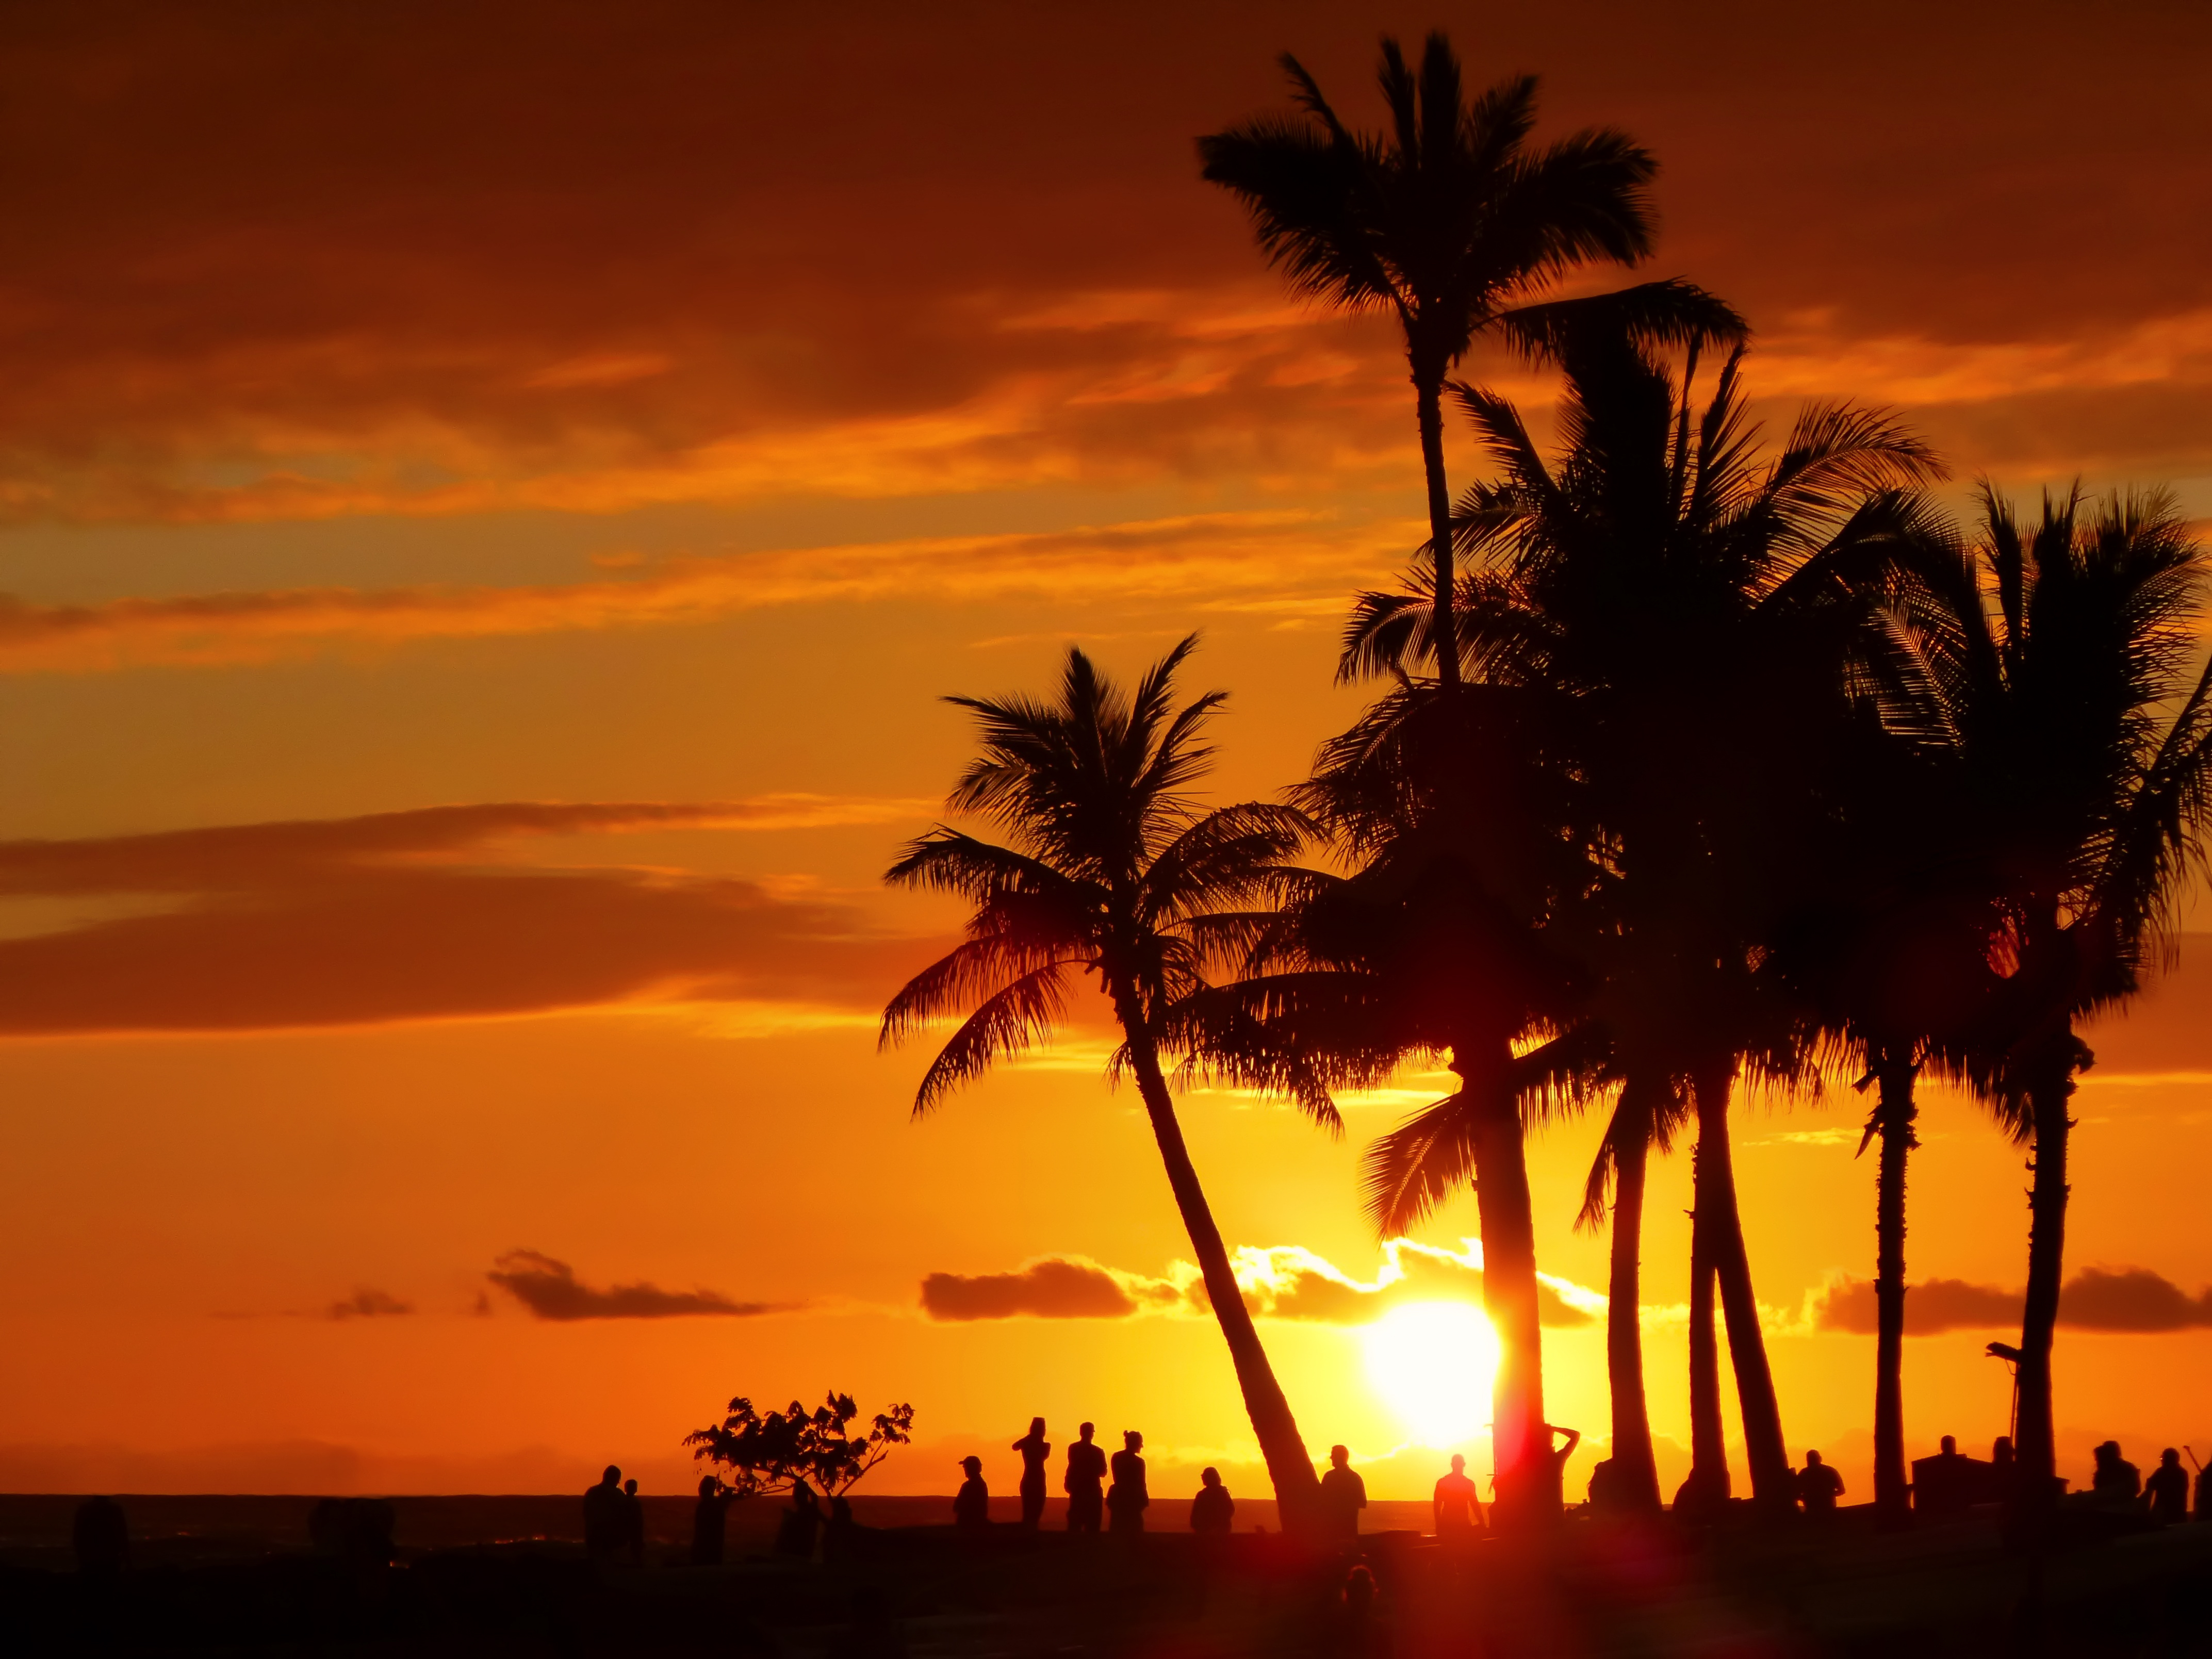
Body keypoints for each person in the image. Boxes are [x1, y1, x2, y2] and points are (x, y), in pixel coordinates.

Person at [1911, 1435, 1986, 1518]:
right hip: (1955, 1505)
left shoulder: (1931, 1466)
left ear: (1942, 1447)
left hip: (1944, 1505)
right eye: (1950, 1445)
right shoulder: (1960, 1464)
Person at [1064, 1422, 1107, 1534]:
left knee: (1076, 1525)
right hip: (1090, 1490)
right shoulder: (1098, 1451)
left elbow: (1072, 1467)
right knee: (1091, 1526)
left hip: (1080, 1488)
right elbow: (1103, 1471)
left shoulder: (1073, 1448)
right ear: (1092, 1434)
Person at [71, 1496, 128, 1578]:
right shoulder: (115, 1509)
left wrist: (81, 1557)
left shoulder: (84, 1509)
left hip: (90, 1557)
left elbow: (77, 1536)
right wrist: (127, 1560)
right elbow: (123, 1535)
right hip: (110, 1557)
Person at [1320, 1444, 1367, 1542]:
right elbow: (1362, 1502)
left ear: (1341, 1457)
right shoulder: (1355, 1478)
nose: (1331, 1458)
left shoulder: (1330, 1477)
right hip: (1337, 1532)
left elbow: (1362, 1502)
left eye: (1333, 1455)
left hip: (1342, 1533)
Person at [1107, 1430, 1149, 1535]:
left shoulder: (1116, 1457)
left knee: (1117, 1530)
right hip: (1133, 1500)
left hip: (1118, 1498)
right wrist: (1144, 1499)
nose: (1141, 1446)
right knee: (1135, 1532)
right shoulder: (1139, 1462)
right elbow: (1142, 1483)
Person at [1011, 1418, 1051, 1530]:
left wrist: (1029, 1438)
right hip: (1036, 1479)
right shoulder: (1045, 1446)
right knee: (1033, 1512)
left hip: (1030, 1478)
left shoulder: (1034, 1444)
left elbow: (1015, 1446)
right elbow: (1015, 1447)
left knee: (1030, 1513)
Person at [1432, 1453, 1482, 1536]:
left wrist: (1439, 1525)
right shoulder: (1468, 1483)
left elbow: (1437, 1506)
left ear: (1452, 1465)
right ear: (1464, 1465)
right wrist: (1482, 1523)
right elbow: (1475, 1505)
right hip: (1462, 1525)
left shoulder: (1443, 1482)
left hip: (1449, 1525)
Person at [584, 1465, 625, 1562]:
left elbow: (586, 1513)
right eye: (618, 1478)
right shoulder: (617, 1494)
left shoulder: (592, 1492)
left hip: (592, 1533)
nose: (619, 1482)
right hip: (609, 1536)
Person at [1539, 1424, 1582, 1513]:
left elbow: (1576, 1436)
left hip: (1542, 1513)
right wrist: (1553, 1429)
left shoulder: (1555, 1460)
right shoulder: (1557, 1460)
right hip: (1554, 1511)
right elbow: (1575, 1436)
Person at [691, 1475, 733, 1566]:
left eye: (702, 1487)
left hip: (707, 1553)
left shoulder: (707, 1506)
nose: (700, 1489)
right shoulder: (713, 1505)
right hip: (712, 1552)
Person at [2090, 1440, 2142, 1508]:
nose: (2096, 1462)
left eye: (2098, 1459)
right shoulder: (2129, 1467)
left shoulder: (2106, 1471)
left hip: (2115, 1509)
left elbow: (2100, 1492)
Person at [2144, 1448, 2189, 1524]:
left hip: (2164, 1513)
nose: (2162, 1460)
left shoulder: (2162, 1472)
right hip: (2179, 1512)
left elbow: (2150, 1485)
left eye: (2162, 1458)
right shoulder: (2183, 1473)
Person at [1795, 1450, 1845, 1518]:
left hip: (1820, 1511)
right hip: (1819, 1511)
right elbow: (1842, 1490)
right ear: (1820, 1459)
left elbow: (1797, 1494)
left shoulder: (1804, 1474)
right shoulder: (1830, 1471)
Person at [1190, 1466, 1234, 1535]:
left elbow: (1229, 1511)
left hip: (1216, 1534)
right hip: (1208, 1533)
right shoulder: (1222, 1493)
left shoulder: (1221, 1494)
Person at [621, 1476, 645, 1566]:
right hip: (634, 1529)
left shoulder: (623, 1500)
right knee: (636, 1548)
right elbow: (638, 1518)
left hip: (627, 1528)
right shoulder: (634, 1502)